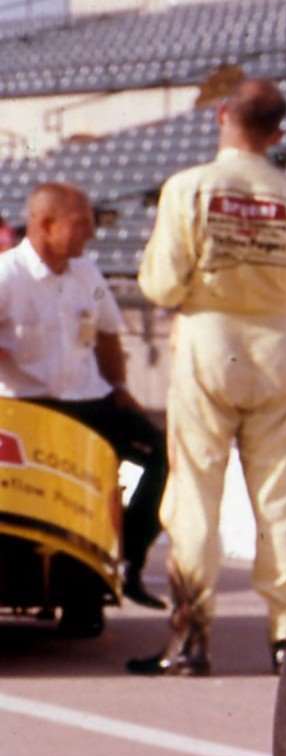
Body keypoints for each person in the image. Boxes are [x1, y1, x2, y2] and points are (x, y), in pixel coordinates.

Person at [127, 78, 286, 676]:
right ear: (278, 135)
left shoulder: (188, 189)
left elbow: (160, 285)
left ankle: (190, 635)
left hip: (209, 343)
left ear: (222, 116)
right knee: (278, 496)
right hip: (277, 344)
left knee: (195, 493)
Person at [0, 182, 165, 607]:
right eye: (80, 224)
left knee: (162, 454)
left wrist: (120, 388)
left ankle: (127, 555)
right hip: (26, 407)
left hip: (89, 402)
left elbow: (107, 334)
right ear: (45, 224)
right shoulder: (7, 275)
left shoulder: (86, 273)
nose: (90, 233)